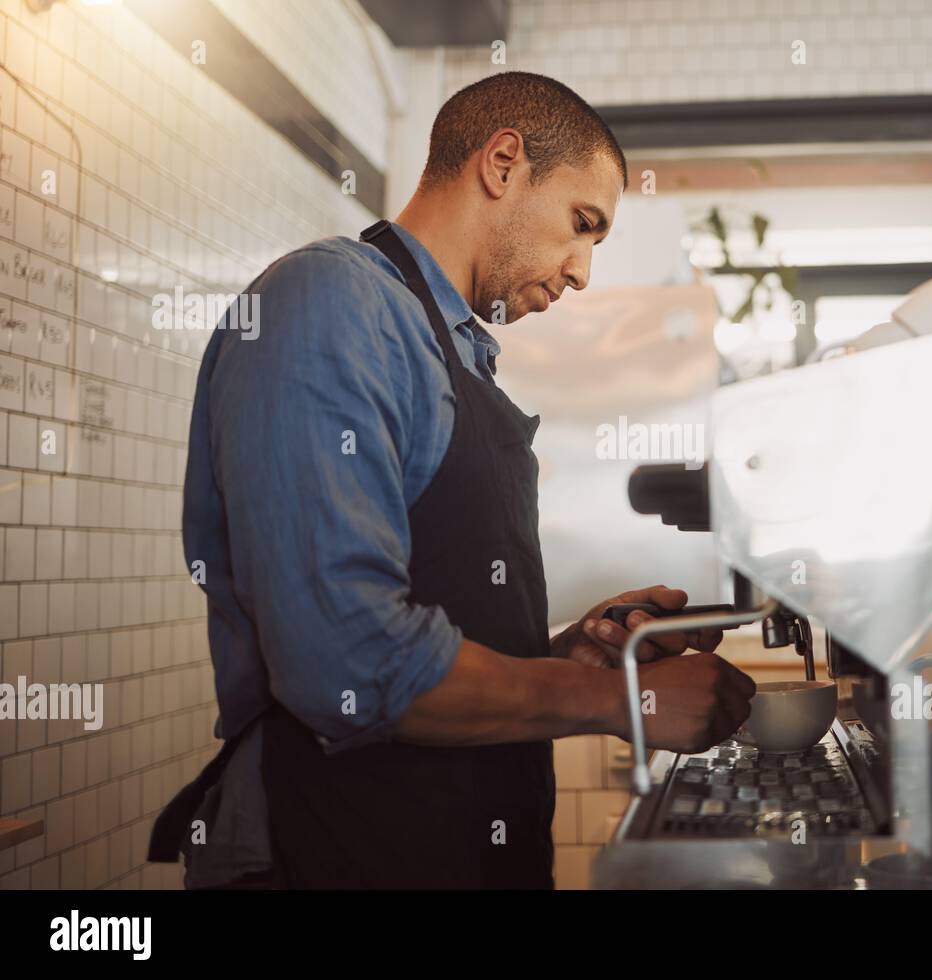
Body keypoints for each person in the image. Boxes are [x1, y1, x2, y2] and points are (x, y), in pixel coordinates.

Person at [149, 71, 755, 889]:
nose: (582, 273)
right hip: (326, 849)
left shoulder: (457, 349)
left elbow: (421, 639)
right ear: (502, 163)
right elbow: (351, 665)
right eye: (582, 225)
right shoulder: (329, 302)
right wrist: (619, 706)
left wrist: (576, 659)